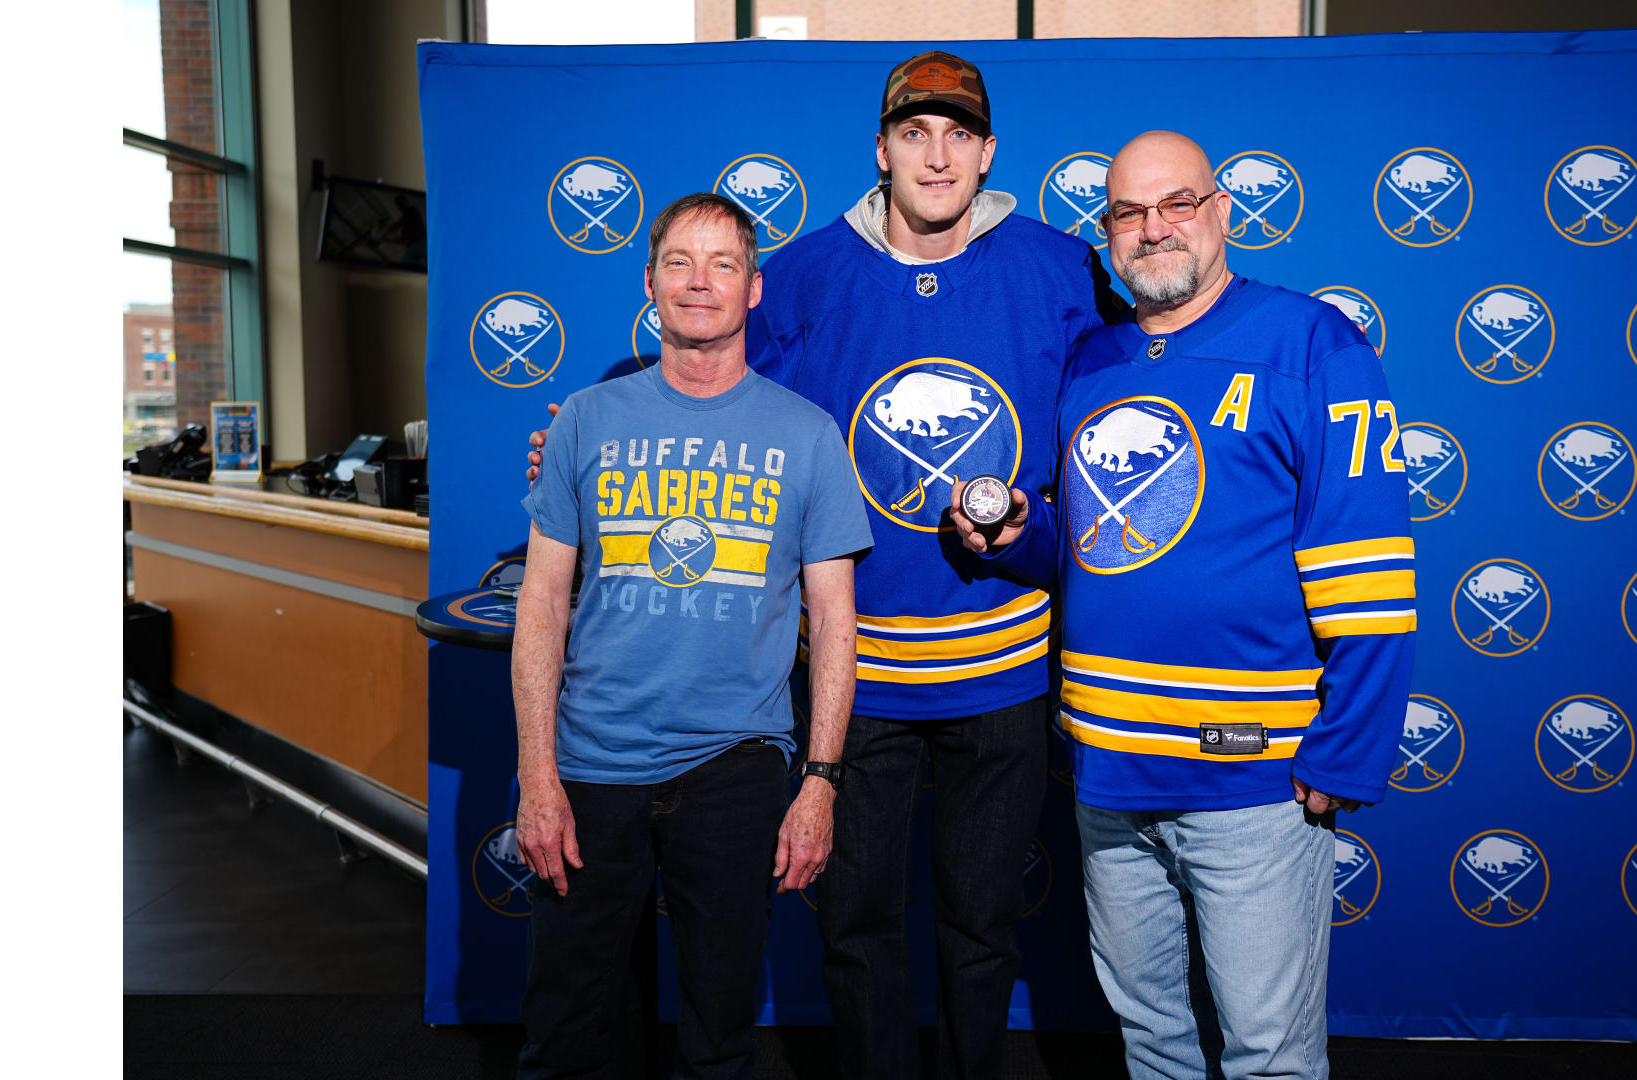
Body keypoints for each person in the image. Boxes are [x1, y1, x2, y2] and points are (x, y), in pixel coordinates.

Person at [530, 51, 1125, 1080]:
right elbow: (706, 370)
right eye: (913, 134)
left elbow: (1134, 402)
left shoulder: (1061, 267)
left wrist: (1038, 528)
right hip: (861, 684)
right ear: (881, 149)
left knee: (982, 930)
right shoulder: (806, 271)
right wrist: (595, 424)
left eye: (957, 136)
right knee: (856, 929)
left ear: (988, 153)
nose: (935, 157)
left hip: (1005, 675)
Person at [948, 130, 1416, 1080]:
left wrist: (1349, 747)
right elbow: (1094, 545)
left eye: (1177, 204)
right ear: (1108, 232)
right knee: (1152, 1044)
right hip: (1108, 776)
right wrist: (1020, 538)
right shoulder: (1093, 360)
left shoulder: (1309, 342)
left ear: (1222, 212)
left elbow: (1368, 569)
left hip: (1251, 779)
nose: (1153, 228)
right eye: (1128, 212)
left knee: (1269, 1056)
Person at [512, 193, 873, 1080]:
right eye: (679, 262)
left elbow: (836, 624)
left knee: (719, 1040)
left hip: (734, 768)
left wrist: (820, 782)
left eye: (722, 264)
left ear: (754, 288)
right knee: (566, 1035)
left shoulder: (808, 436)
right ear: (650, 282)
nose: (699, 282)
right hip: (591, 765)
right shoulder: (585, 421)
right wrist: (537, 776)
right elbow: (542, 603)